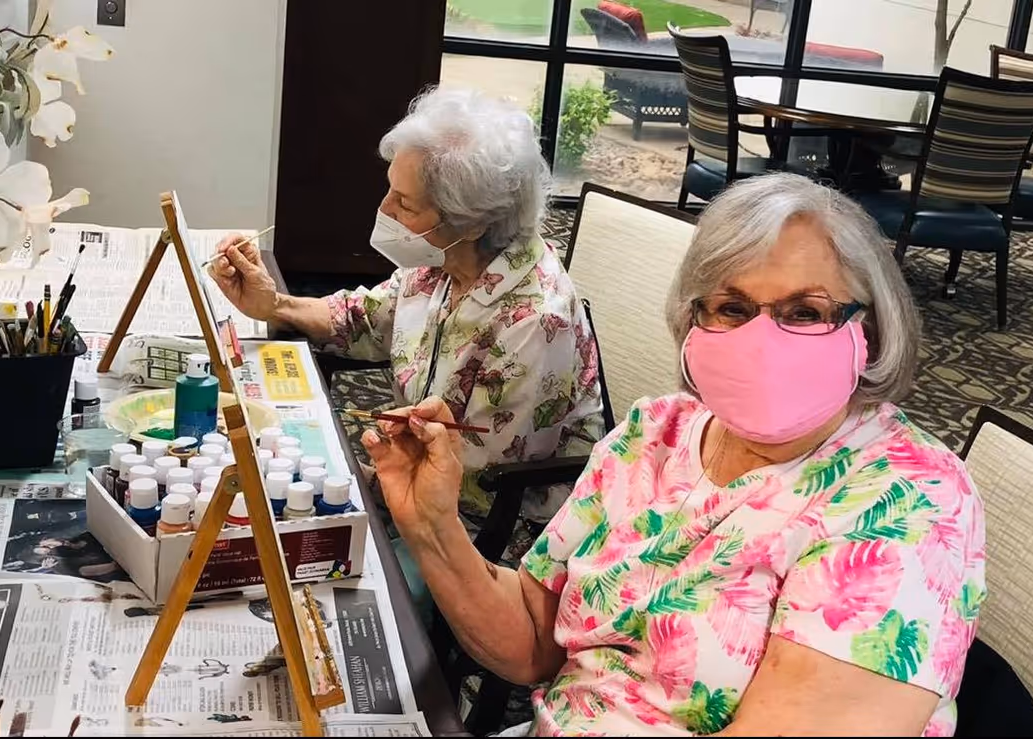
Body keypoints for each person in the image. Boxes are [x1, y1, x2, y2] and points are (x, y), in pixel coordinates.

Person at [362, 173, 986, 736]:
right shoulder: (655, 432)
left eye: (805, 312)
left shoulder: (907, 499)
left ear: (868, 329)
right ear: (693, 320)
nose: (762, 341)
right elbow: (532, 640)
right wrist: (431, 524)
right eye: (732, 308)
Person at [210, 87, 605, 571]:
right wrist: (275, 304)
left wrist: (347, 477)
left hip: (495, 535)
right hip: (411, 478)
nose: (385, 211)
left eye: (405, 203)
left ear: (470, 223)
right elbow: (366, 319)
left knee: (302, 561)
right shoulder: (443, 258)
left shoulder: (535, 322)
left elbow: (475, 482)